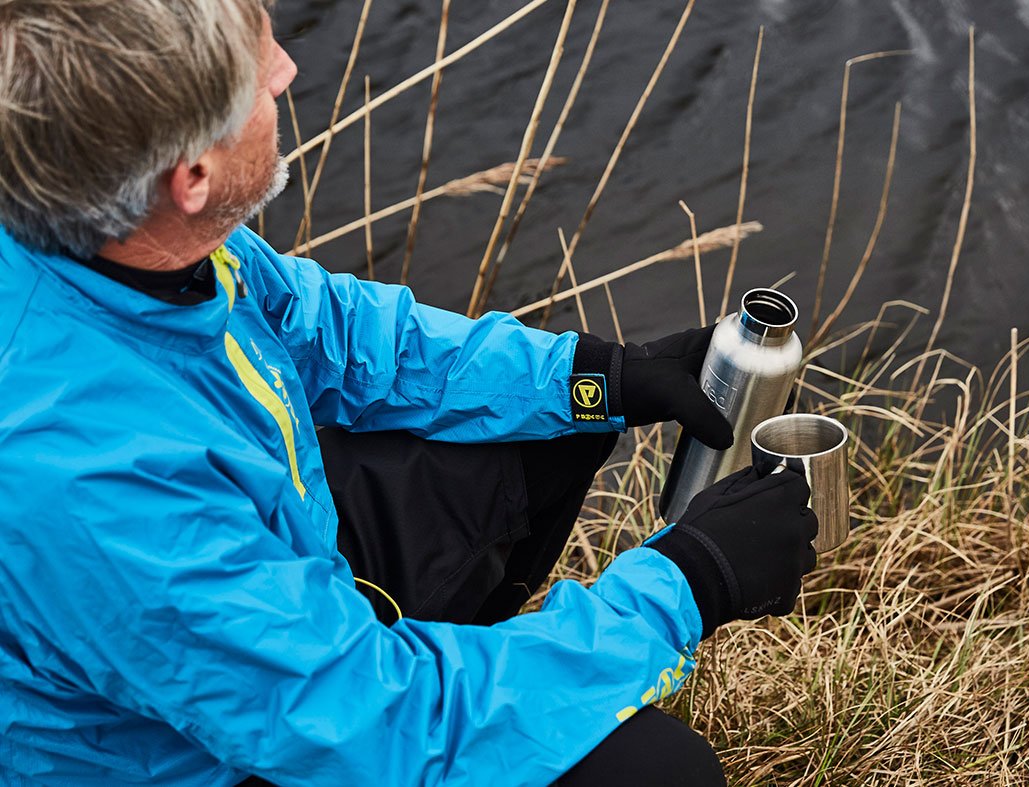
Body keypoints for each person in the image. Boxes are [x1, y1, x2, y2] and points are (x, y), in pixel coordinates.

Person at [0, 1, 820, 784]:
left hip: (269, 600)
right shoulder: (100, 485)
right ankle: (494, 700)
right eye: (257, 75)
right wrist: (687, 583)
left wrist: (594, 375)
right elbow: (382, 721)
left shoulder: (125, 237)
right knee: (657, 772)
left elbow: (337, 331)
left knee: (547, 425)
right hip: (196, 758)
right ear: (192, 173)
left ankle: (488, 671)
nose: (285, 69)